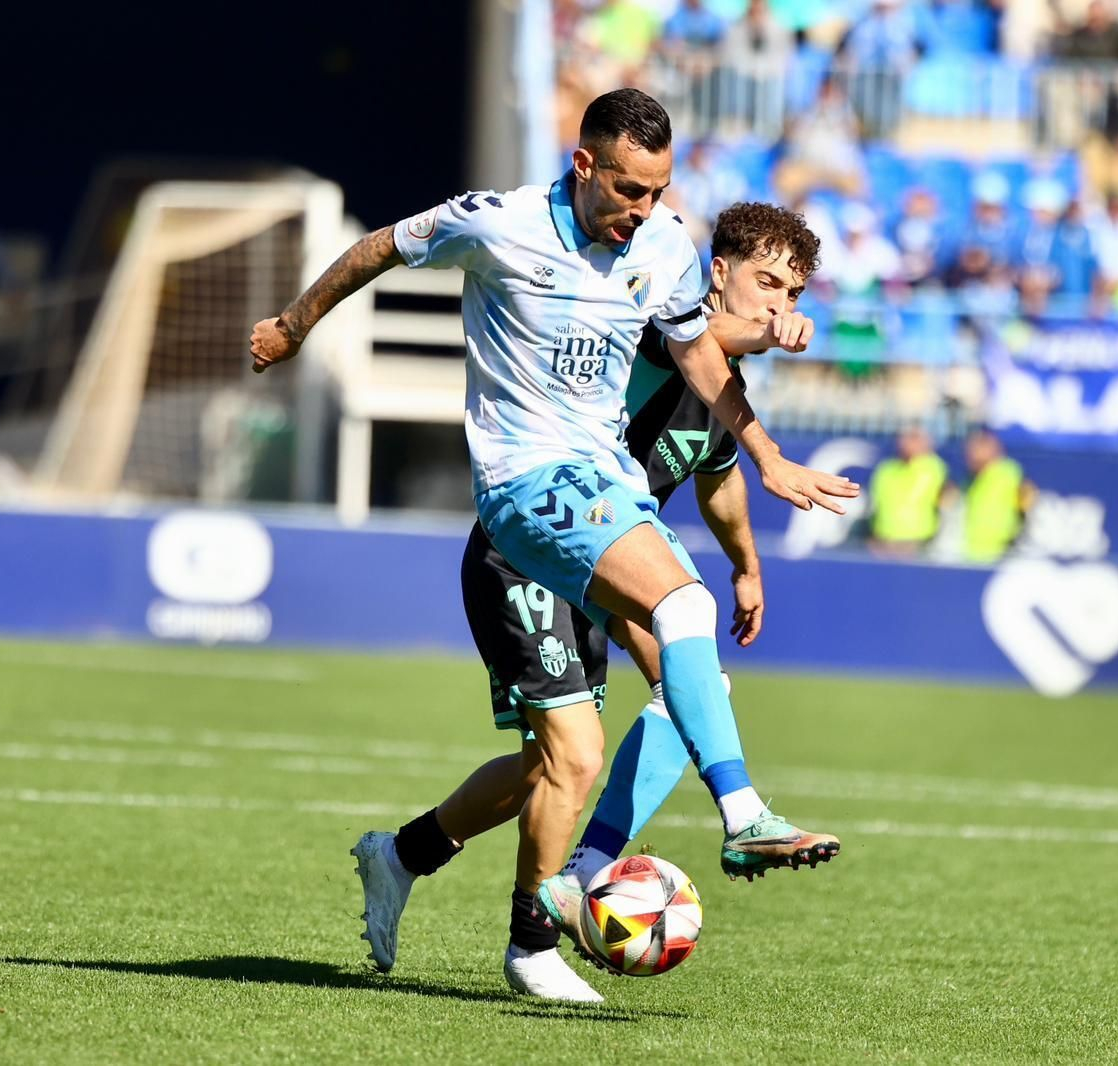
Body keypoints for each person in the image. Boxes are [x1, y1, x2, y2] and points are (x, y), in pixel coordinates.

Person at [248, 89, 856, 995]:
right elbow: (383, 246)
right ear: (584, 166)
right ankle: (712, 831)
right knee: (672, 619)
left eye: (657, 192)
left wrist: (758, 514)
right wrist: (296, 324)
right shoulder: (500, 226)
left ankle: (417, 857)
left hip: (603, 512)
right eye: (627, 189)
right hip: (528, 504)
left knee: (574, 753)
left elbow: (708, 404)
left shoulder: (661, 249)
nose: (642, 210)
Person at [350, 204, 836, 1004]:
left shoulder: (723, 396)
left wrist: (748, 568)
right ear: (717, 272)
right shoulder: (649, 319)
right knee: (568, 762)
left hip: (610, 565)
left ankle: (442, 859)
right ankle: (534, 941)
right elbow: (709, 339)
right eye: (766, 282)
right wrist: (765, 332)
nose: (779, 303)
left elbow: (719, 484)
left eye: (793, 290)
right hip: (529, 554)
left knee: (678, 700)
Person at [869, 425, 948, 555]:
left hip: (919, 542)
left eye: (915, 439)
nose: (908, 444)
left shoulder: (933, 468)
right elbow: (875, 505)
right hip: (885, 541)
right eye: (906, 439)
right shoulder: (886, 470)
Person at [962, 428, 1032, 563]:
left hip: (1000, 552)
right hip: (974, 552)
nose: (970, 455)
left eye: (976, 449)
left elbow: (1027, 502)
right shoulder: (974, 479)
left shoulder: (1008, 474)